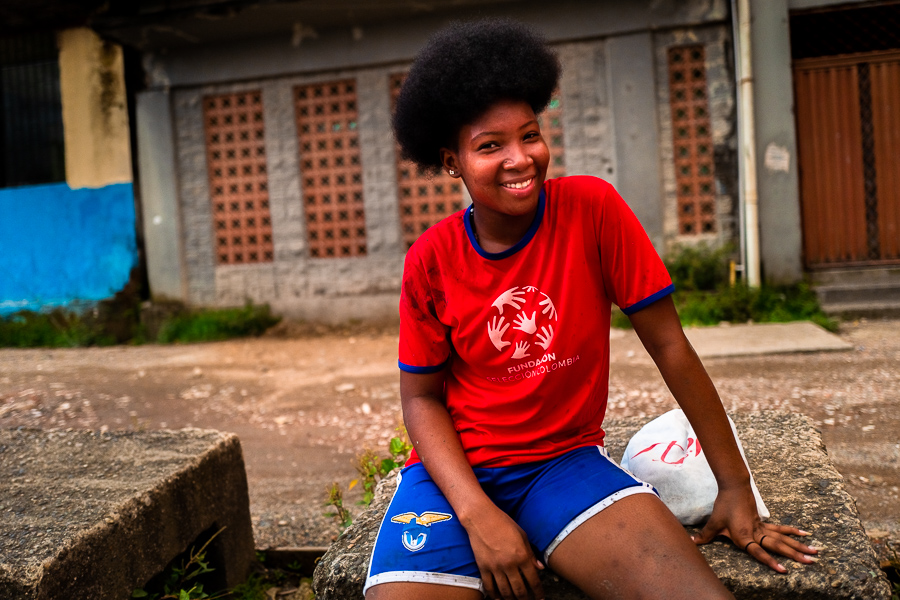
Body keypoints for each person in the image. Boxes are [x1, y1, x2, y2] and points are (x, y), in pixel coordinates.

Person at [364, 18, 817, 600]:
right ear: (451, 160)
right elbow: (421, 400)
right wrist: (478, 515)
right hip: (451, 482)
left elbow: (671, 346)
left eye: (529, 135)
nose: (519, 158)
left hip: (563, 465)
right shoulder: (432, 259)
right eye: (489, 146)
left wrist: (735, 488)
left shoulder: (592, 210)